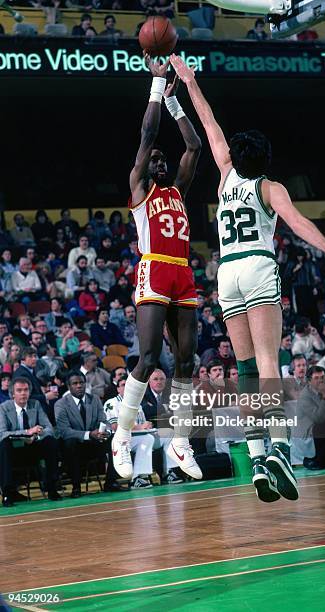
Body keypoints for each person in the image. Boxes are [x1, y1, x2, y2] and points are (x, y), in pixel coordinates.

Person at [170, 53, 325, 503]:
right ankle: (277, 449)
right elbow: (297, 223)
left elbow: (209, 119)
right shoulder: (269, 187)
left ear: (237, 154)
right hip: (257, 265)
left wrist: (190, 81)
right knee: (269, 364)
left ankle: (256, 459)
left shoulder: (224, 176)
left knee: (244, 369)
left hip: (227, 272)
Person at [111, 54, 203, 483]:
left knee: (188, 360)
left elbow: (195, 147)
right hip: (154, 269)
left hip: (183, 271)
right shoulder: (140, 188)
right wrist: (154, 84)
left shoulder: (179, 190)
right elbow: (148, 135)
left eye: (164, 161)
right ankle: (122, 436)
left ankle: (181, 441)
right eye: (155, 161)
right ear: (145, 168)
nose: (161, 163)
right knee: (149, 357)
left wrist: (175, 103)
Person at [55, 370, 126, 498]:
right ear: (69, 386)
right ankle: (76, 487)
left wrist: (105, 432)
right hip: (74, 445)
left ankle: (111, 482)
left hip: (94, 443)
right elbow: (64, 431)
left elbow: (104, 421)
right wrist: (89, 434)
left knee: (116, 439)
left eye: (81, 382)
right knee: (70, 443)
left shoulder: (94, 399)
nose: (79, 386)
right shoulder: (61, 404)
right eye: (75, 383)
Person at [0, 377, 61, 506]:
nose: (23, 393)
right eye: (19, 390)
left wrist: (37, 436)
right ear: (12, 394)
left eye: (26, 390)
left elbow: (49, 428)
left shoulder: (35, 404)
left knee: (50, 441)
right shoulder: (4, 408)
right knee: (4, 445)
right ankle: (7, 493)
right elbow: (2, 433)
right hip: (14, 449)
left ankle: (52, 487)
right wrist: (26, 433)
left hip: (33, 446)